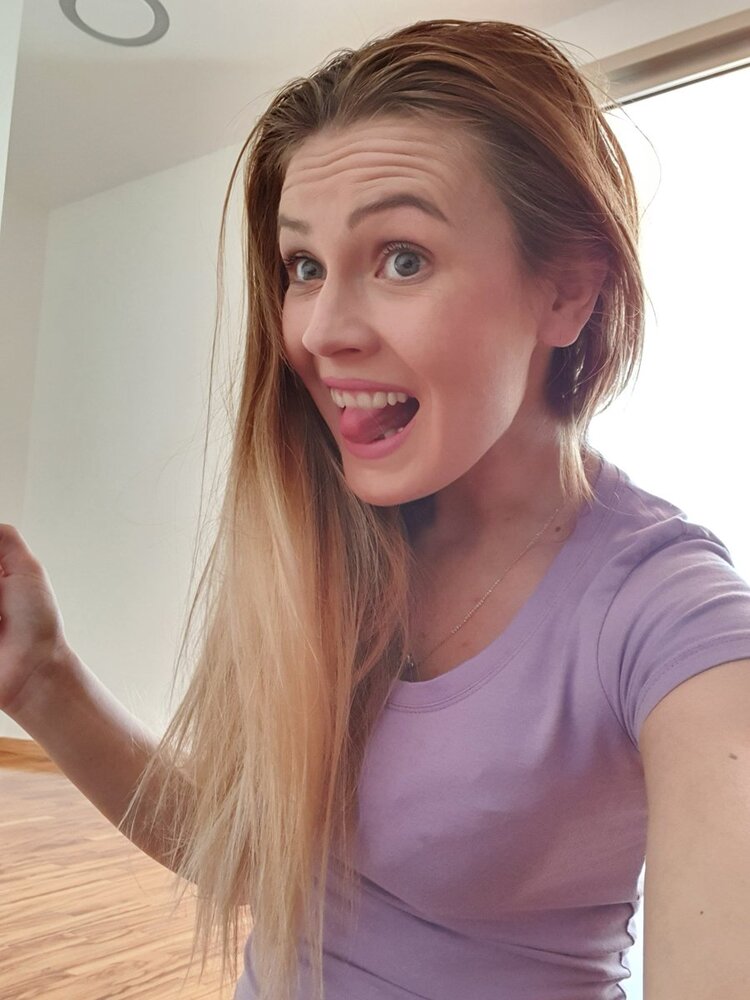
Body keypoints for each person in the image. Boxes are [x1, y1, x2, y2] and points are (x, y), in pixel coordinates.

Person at [1, 17, 749, 1000]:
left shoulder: (675, 618)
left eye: (402, 258)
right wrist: (42, 676)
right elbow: (255, 858)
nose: (318, 331)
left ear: (567, 292)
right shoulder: (332, 535)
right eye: (304, 267)